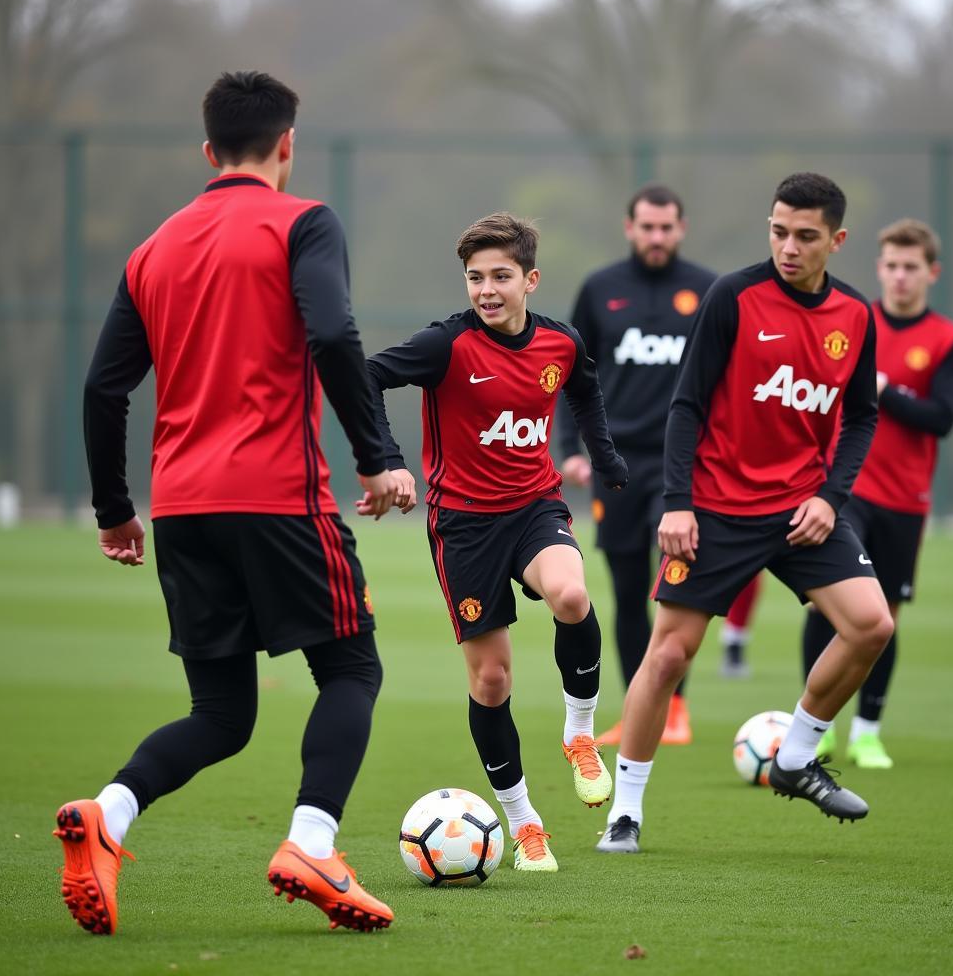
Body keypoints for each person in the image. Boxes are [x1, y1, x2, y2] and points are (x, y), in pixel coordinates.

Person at [54, 71, 401, 935]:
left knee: (222, 714)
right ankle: (312, 842)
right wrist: (379, 456)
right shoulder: (304, 222)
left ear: (207, 152)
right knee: (352, 669)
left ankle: (109, 815)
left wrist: (111, 508)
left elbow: (103, 389)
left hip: (181, 508)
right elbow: (330, 332)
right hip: (278, 498)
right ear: (288, 144)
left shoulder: (155, 246)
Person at [596, 172, 895, 854]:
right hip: (718, 509)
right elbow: (687, 405)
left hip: (802, 510)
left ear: (837, 240)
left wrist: (830, 497)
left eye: (806, 236)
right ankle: (626, 813)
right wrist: (679, 505)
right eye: (778, 231)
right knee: (668, 655)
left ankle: (793, 759)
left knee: (871, 625)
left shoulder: (855, 315)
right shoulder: (734, 295)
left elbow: (862, 416)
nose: (788, 247)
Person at [367, 212, 628, 872]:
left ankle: (579, 732)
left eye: (501, 277)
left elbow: (586, 391)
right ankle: (524, 823)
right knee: (492, 679)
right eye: (475, 278)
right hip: (463, 526)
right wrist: (389, 459)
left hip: (535, 506)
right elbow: (364, 377)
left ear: (530, 280)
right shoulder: (445, 346)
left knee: (571, 595)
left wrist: (605, 456)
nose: (486, 290)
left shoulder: (559, 344)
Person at [557, 184, 721, 744]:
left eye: (666, 227)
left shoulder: (707, 291)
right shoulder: (601, 289)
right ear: (630, 228)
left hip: (686, 465)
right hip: (617, 463)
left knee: (678, 586)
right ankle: (639, 711)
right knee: (628, 591)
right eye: (646, 227)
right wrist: (572, 451)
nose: (656, 237)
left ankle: (674, 709)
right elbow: (569, 373)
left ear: (682, 228)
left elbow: (727, 379)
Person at [801, 219, 953, 768]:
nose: (899, 277)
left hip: (905, 498)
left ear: (930, 273)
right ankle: (814, 725)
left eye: (910, 267)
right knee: (828, 605)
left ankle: (867, 729)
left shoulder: (946, 340)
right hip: (845, 490)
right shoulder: (853, 320)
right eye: (891, 266)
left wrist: (886, 390)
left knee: (885, 615)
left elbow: (941, 418)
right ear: (879, 268)